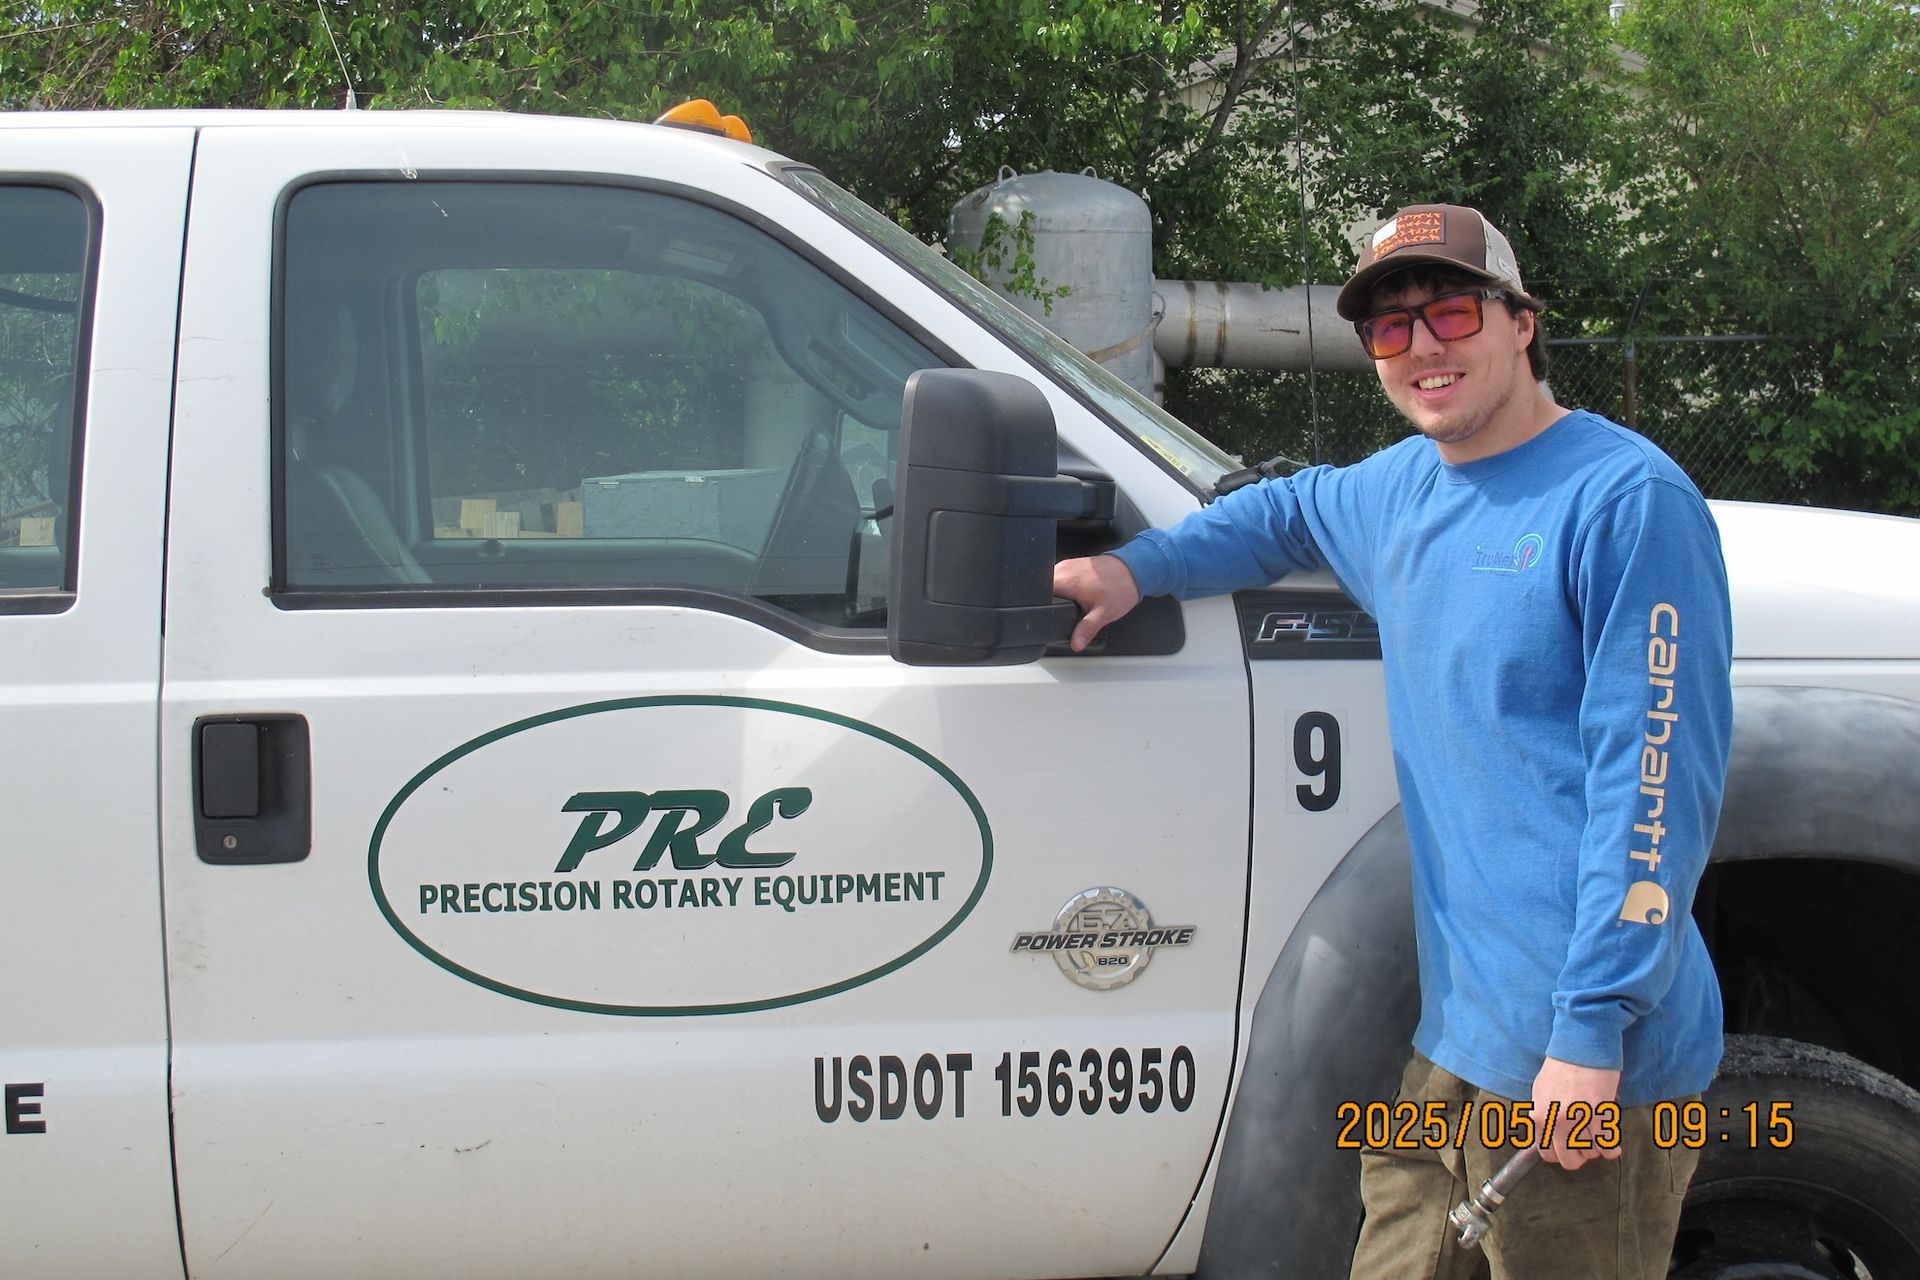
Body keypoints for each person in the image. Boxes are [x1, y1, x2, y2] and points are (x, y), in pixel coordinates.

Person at [1053, 204, 1733, 1278]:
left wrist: (1592, 1030)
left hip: (1594, 1064)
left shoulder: (1625, 502)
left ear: (1521, 323)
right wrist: (1139, 567)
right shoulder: (1399, 491)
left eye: (1451, 311)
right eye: (1389, 328)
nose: (1423, 346)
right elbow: (1278, 514)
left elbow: (1654, 787)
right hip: (1455, 1045)